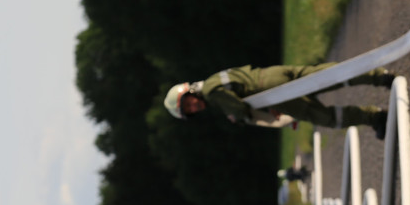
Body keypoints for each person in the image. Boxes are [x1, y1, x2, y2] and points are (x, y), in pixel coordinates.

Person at [164, 63, 394, 138]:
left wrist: (237, 117)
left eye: (189, 103)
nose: (194, 107)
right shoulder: (212, 80)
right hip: (273, 74)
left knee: (322, 116)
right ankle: (379, 76)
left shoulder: (212, 93)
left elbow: (241, 109)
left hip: (273, 91)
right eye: (190, 110)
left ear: (190, 92)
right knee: (326, 76)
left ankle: (374, 117)